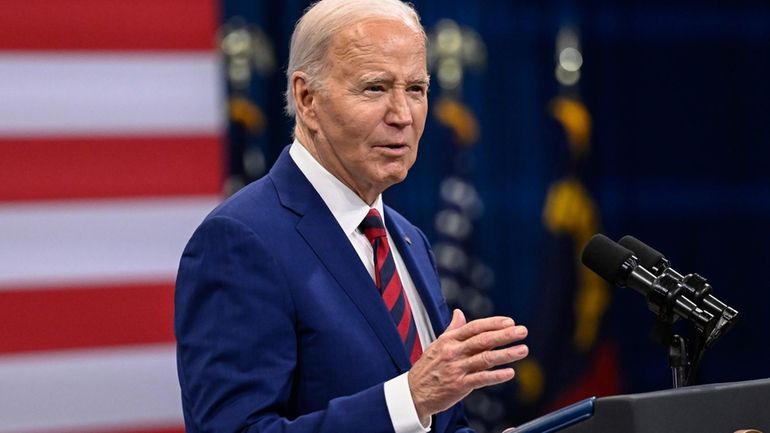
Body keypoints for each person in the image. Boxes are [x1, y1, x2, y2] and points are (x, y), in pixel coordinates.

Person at [174, 0, 529, 432]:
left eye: (415, 89)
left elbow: (437, 422)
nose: (402, 115)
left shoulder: (408, 238)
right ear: (307, 99)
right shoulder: (240, 241)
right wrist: (410, 399)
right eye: (375, 88)